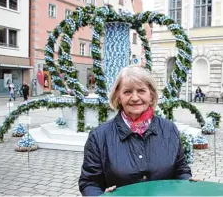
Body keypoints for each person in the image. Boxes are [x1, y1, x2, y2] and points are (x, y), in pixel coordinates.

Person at [79, 65, 193, 196]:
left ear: (151, 95)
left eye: (141, 91)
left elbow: (181, 170)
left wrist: (187, 182)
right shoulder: (99, 136)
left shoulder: (169, 129)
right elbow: (89, 182)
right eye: (127, 92)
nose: (134, 98)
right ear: (118, 97)